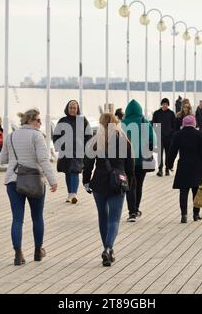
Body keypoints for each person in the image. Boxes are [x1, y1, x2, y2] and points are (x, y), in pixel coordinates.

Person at [1, 108, 58, 265]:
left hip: (13, 180)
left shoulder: (11, 136)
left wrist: (17, 158)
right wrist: (53, 180)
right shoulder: (37, 136)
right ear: (30, 121)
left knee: (17, 219)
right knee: (37, 216)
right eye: (38, 120)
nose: (40, 123)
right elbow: (44, 160)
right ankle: (38, 251)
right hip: (34, 180)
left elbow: (2, 159)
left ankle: (18, 254)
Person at [83, 113, 135, 267]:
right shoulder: (124, 140)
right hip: (117, 183)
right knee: (114, 218)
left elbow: (88, 163)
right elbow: (130, 165)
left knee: (102, 216)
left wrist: (86, 180)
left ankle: (106, 248)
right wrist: (130, 183)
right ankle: (108, 248)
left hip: (99, 182)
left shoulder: (96, 141)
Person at [168, 115, 202, 224]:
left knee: (183, 191)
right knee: (196, 191)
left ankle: (184, 215)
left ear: (183, 123)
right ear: (194, 123)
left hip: (183, 166)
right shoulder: (199, 135)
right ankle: (196, 214)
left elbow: (173, 150)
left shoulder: (178, 135)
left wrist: (169, 164)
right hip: (197, 167)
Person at [53, 100, 93, 204]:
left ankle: (74, 193)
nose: (72, 110)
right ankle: (70, 193)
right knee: (67, 171)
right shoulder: (62, 120)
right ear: (67, 108)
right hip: (65, 150)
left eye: (74, 108)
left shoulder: (82, 120)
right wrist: (59, 146)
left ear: (77, 109)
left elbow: (89, 135)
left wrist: (85, 147)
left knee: (75, 170)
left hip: (78, 150)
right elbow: (56, 135)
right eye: (71, 108)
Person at [122, 100, 155, 222]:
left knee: (130, 186)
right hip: (142, 161)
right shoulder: (145, 123)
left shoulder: (122, 124)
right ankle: (136, 209)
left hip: (126, 161)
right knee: (139, 185)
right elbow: (152, 141)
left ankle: (131, 212)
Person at [152, 98, 176, 177]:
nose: (165, 105)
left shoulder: (171, 114)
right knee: (159, 154)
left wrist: (172, 134)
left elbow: (174, 125)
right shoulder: (156, 113)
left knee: (168, 153)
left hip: (168, 137)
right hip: (159, 136)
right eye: (163, 104)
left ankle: (167, 169)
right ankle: (160, 169)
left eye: (166, 104)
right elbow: (154, 124)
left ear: (168, 105)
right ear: (161, 104)